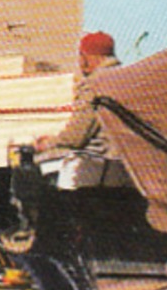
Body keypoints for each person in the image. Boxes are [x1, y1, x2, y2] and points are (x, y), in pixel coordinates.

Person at [36, 31, 126, 188]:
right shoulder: (127, 79)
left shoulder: (95, 84)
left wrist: (48, 143)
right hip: (127, 169)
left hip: (99, 167)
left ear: (85, 58)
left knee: (34, 169)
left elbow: (77, 136)